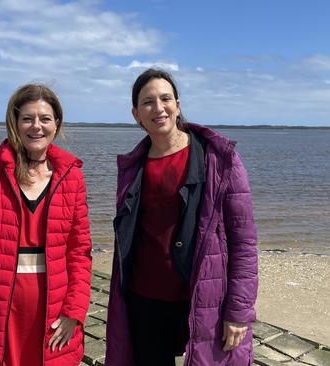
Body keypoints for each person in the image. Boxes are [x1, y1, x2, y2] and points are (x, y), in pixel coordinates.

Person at [105, 68, 258, 366]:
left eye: (165, 98)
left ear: (178, 104)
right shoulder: (133, 167)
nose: (158, 108)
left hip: (202, 297)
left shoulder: (218, 159)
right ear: (136, 113)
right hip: (144, 298)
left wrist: (238, 312)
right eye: (148, 102)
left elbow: (243, 240)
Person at [0, 84, 92, 366]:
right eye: (27, 118)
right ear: (15, 123)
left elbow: (80, 252)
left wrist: (74, 311)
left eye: (45, 119)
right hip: (0, 305)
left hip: (54, 307)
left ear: (57, 124)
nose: (36, 127)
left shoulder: (72, 177)